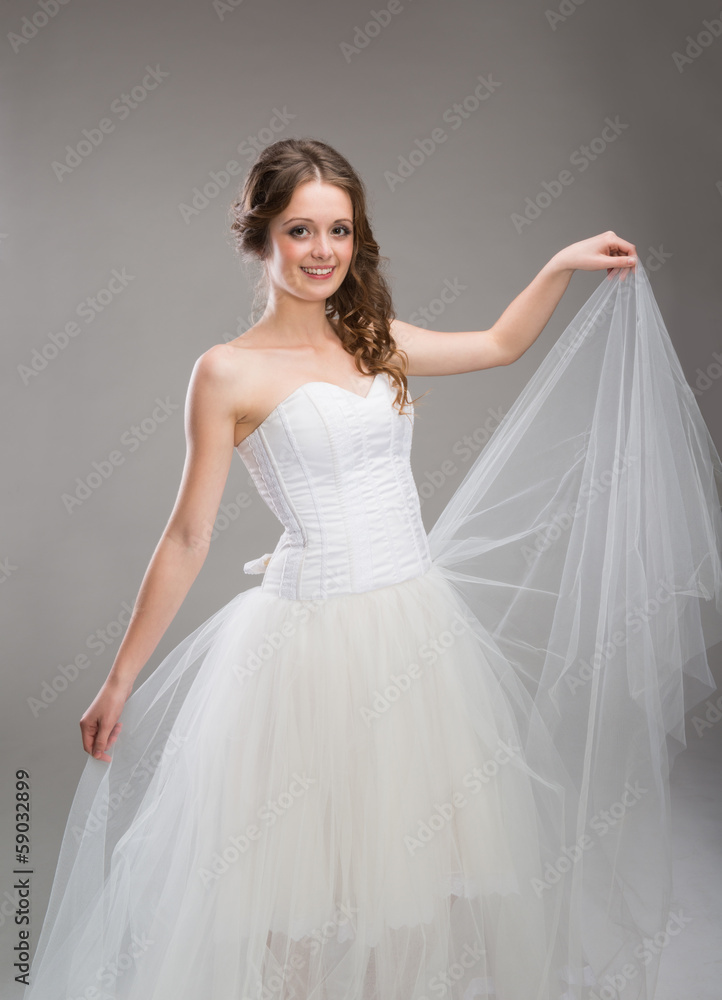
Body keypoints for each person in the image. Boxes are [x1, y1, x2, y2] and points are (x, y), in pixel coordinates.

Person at [23, 138, 722, 1000]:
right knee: (292, 886)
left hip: (414, 632)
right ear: (260, 237)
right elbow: (188, 537)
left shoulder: (375, 340)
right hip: (304, 648)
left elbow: (500, 344)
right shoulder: (227, 371)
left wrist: (560, 264)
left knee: (413, 880)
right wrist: (119, 681)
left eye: (340, 230)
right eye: (300, 230)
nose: (323, 251)